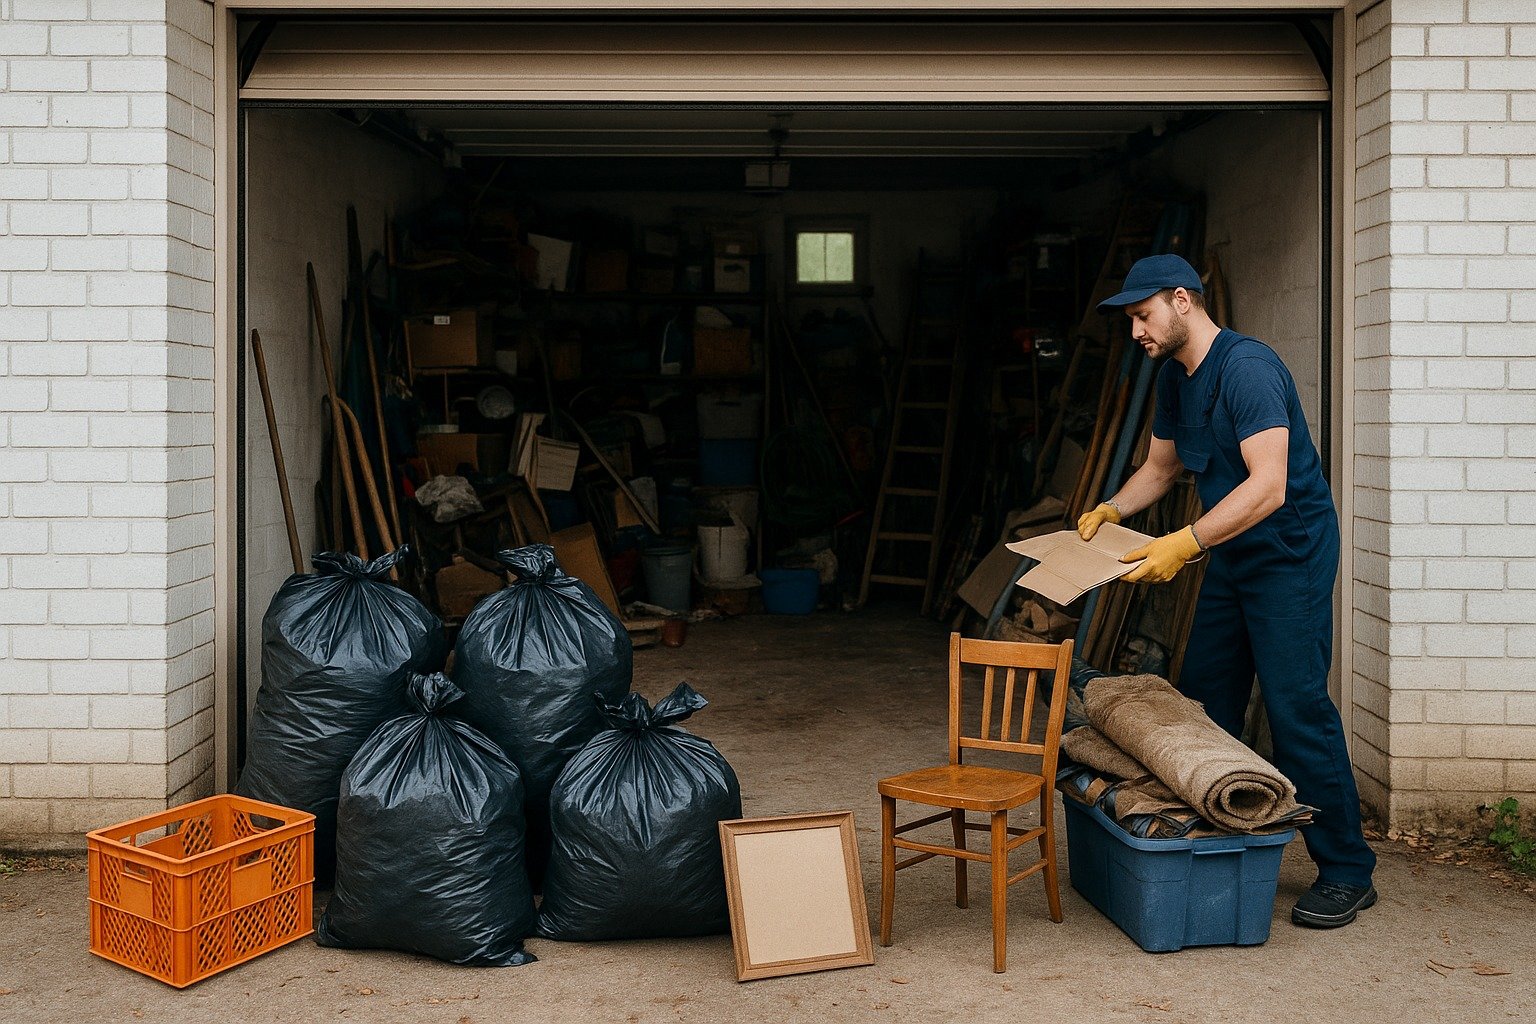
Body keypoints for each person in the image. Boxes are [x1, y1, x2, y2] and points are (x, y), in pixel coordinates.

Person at [1077, 253, 1377, 928]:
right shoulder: (1175, 381)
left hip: (1288, 554)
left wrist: (1184, 543)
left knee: (1295, 705)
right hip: (1231, 551)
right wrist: (1113, 511)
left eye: (1143, 315)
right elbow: (1160, 468)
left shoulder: (1248, 369)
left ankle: (1349, 871)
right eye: (1129, 321)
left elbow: (1268, 486)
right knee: (1204, 699)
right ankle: (1222, 836)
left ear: (1183, 300)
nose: (1136, 332)